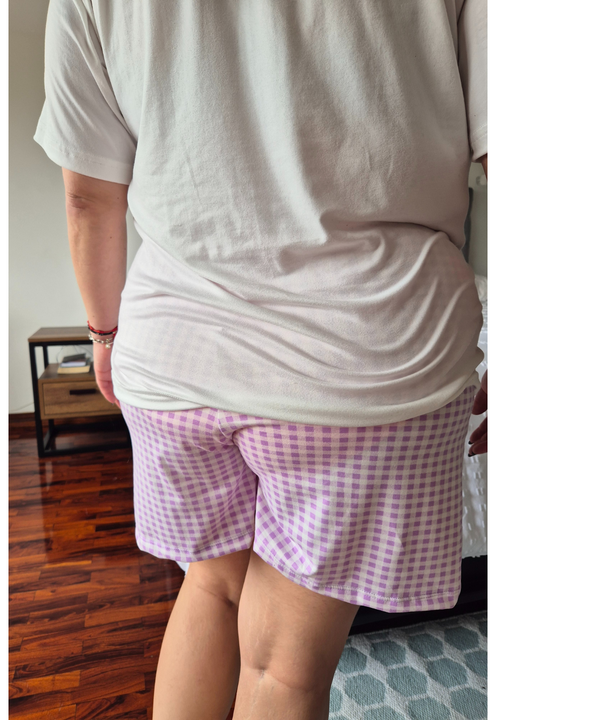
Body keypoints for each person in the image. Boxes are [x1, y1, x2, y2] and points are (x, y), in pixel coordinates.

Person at [34, 1, 487, 717]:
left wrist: (105, 335)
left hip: (175, 357)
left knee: (209, 588)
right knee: (284, 671)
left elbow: (89, 198)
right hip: (367, 363)